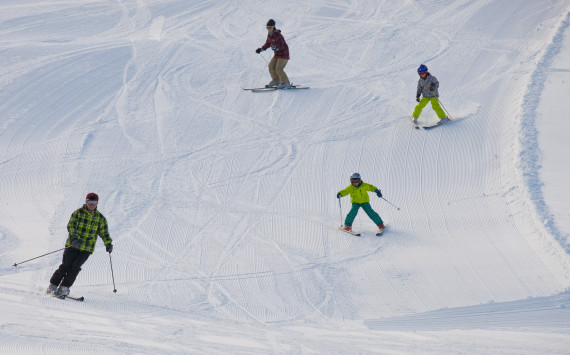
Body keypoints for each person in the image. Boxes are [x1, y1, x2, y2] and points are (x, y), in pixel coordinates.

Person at [47, 193, 113, 297]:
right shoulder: (78, 213)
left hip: (87, 248)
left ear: (97, 203)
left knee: (75, 268)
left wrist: (108, 243)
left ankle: (64, 288)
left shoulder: (100, 218)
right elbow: (71, 226)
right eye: (89, 202)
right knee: (66, 266)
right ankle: (53, 286)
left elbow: (104, 233)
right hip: (73, 245)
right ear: (86, 201)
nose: (91, 205)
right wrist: (74, 238)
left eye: (94, 202)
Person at [255, 19, 291, 89]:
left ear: (273, 27)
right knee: (271, 66)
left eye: (270, 27)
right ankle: (276, 80)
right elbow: (267, 44)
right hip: (277, 54)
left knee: (278, 68)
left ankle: (286, 82)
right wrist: (261, 49)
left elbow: (282, 45)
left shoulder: (278, 35)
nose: (269, 29)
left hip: (283, 54)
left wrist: (277, 48)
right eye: (267, 27)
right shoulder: (269, 35)